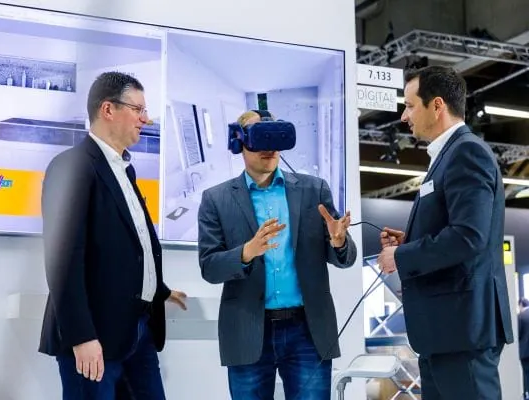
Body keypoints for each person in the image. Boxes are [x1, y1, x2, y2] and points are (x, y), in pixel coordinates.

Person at [38, 71, 187, 400]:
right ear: (108, 109)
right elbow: (63, 260)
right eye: (138, 109)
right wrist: (82, 336)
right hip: (95, 337)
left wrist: (159, 289)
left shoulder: (123, 169)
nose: (145, 119)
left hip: (137, 331)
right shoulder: (72, 167)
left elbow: (127, 244)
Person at [197, 110, 357, 399]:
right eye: (260, 138)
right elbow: (209, 267)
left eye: (274, 137)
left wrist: (339, 242)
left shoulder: (314, 190)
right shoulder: (216, 199)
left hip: (307, 331)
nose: (269, 147)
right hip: (248, 330)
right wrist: (246, 253)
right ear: (239, 143)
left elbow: (346, 256)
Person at [377, 65, 514, 400]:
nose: (404, 117)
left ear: (437, 105)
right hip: (445, 332)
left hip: (462, 330)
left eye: (410, 106)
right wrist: (410, 242)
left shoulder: (466, 152)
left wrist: (402, 256)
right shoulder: (448, 155)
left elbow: (469, 236)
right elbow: (456, 229)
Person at [519, 298, 529, 399]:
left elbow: (518, 334)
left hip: (525, 352)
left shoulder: (521, 316)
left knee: (526, 374)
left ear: (521, 304)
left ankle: (527, 394)